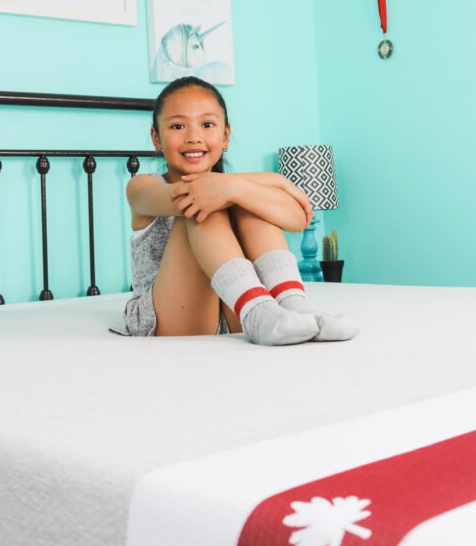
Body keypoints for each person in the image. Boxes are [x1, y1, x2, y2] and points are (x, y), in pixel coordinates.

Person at [124, 76, 357, 345]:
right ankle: (259, 313)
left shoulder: (235, 188)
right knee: (200, 205)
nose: (193, 137)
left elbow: (297, 219)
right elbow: (195, 193)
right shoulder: (141, 187)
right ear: (156, 138)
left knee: (246, 202)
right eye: (177, 126)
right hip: (169, 317)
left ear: (225, 136)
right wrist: (276, 180)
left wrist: (241, 189)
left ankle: (292, 306)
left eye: (207, 124)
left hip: (236, 312)